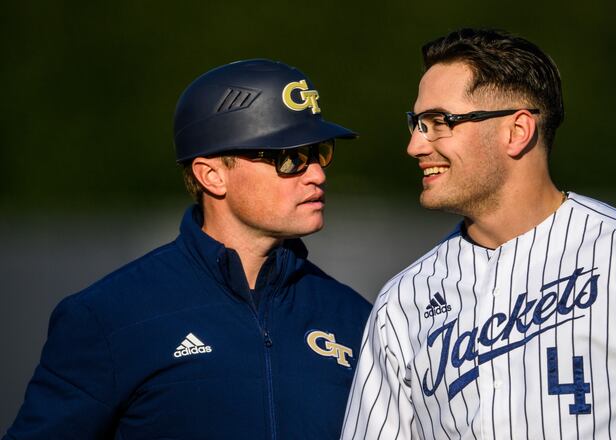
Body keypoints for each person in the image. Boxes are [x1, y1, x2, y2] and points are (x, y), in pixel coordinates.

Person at [341, 29, 616, 440]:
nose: (415, 145)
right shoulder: (404, 299)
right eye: (417, 123)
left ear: (517, 130)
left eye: (439, 122)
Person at [4, 59, 371, 439]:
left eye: (319, 151)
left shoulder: (356, 318)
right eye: (289, 158)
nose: (317, 174)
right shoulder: (109, 316)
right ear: (211, 175)